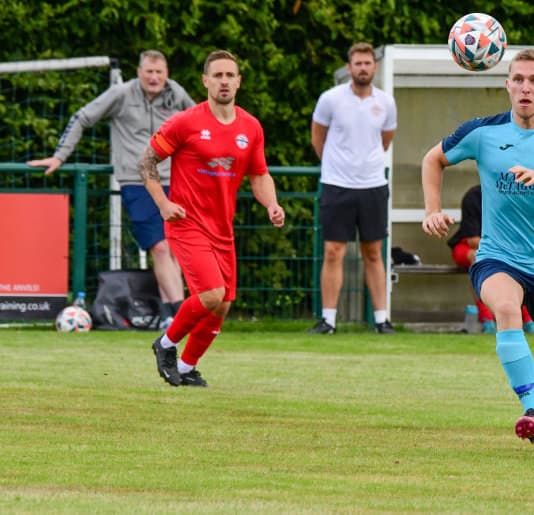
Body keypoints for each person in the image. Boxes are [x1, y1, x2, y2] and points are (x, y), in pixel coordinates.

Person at [421, 49, 534, 453]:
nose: (525, 87)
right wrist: (432, 209)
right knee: (506, 309)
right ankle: (532, 411)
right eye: (518, 79)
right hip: (497, 256)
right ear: (506, 84)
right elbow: (433, 159)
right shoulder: (482, 132)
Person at [145, 50, 285, 387]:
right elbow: (147, 163)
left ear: (239, 82)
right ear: (205, 81)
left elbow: (259, 174)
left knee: (221, 306)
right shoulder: (185, 122)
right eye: (217, 75)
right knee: (210, 294)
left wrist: (272, 204)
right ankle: (165, 345)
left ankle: (187, 367)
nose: (224, 81)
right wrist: (164, 204)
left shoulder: (250, 127)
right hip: (186, 222)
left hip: (222, 228)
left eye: (230, 75)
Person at [27, 50, 195, 327]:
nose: (154, 77)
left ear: (167, 74)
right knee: (161, 247)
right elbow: (82, 117)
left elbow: (200, 126)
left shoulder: (176, 94)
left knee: (174, 249)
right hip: (136, 181)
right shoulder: (120, 94)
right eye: (148, 72)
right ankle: (181, 315)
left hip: (173, 180)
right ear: (138, 72)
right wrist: (60, 156)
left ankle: (168, 315)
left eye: (159, 72)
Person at [309, 42, 398, 335]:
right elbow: (318, 139)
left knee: (373, 252)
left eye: (367, 63)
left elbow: (385, 140)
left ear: (375, 67)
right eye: (357, 63)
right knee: (333, 251)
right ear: (349, 68)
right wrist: (339, 167)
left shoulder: (386, 102)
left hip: (373, 185)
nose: (363, 68)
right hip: (337, 185)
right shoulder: (330, 99)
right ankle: (329, 320)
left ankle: (382, 320)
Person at [447, 184, 534, 334]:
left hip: (505, 249)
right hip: (468, 246)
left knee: (519, 262)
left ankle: (528, 319)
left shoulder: (514, 197)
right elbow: (472, 240)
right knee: (478, 258)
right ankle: (487, 320)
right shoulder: (473, 196)